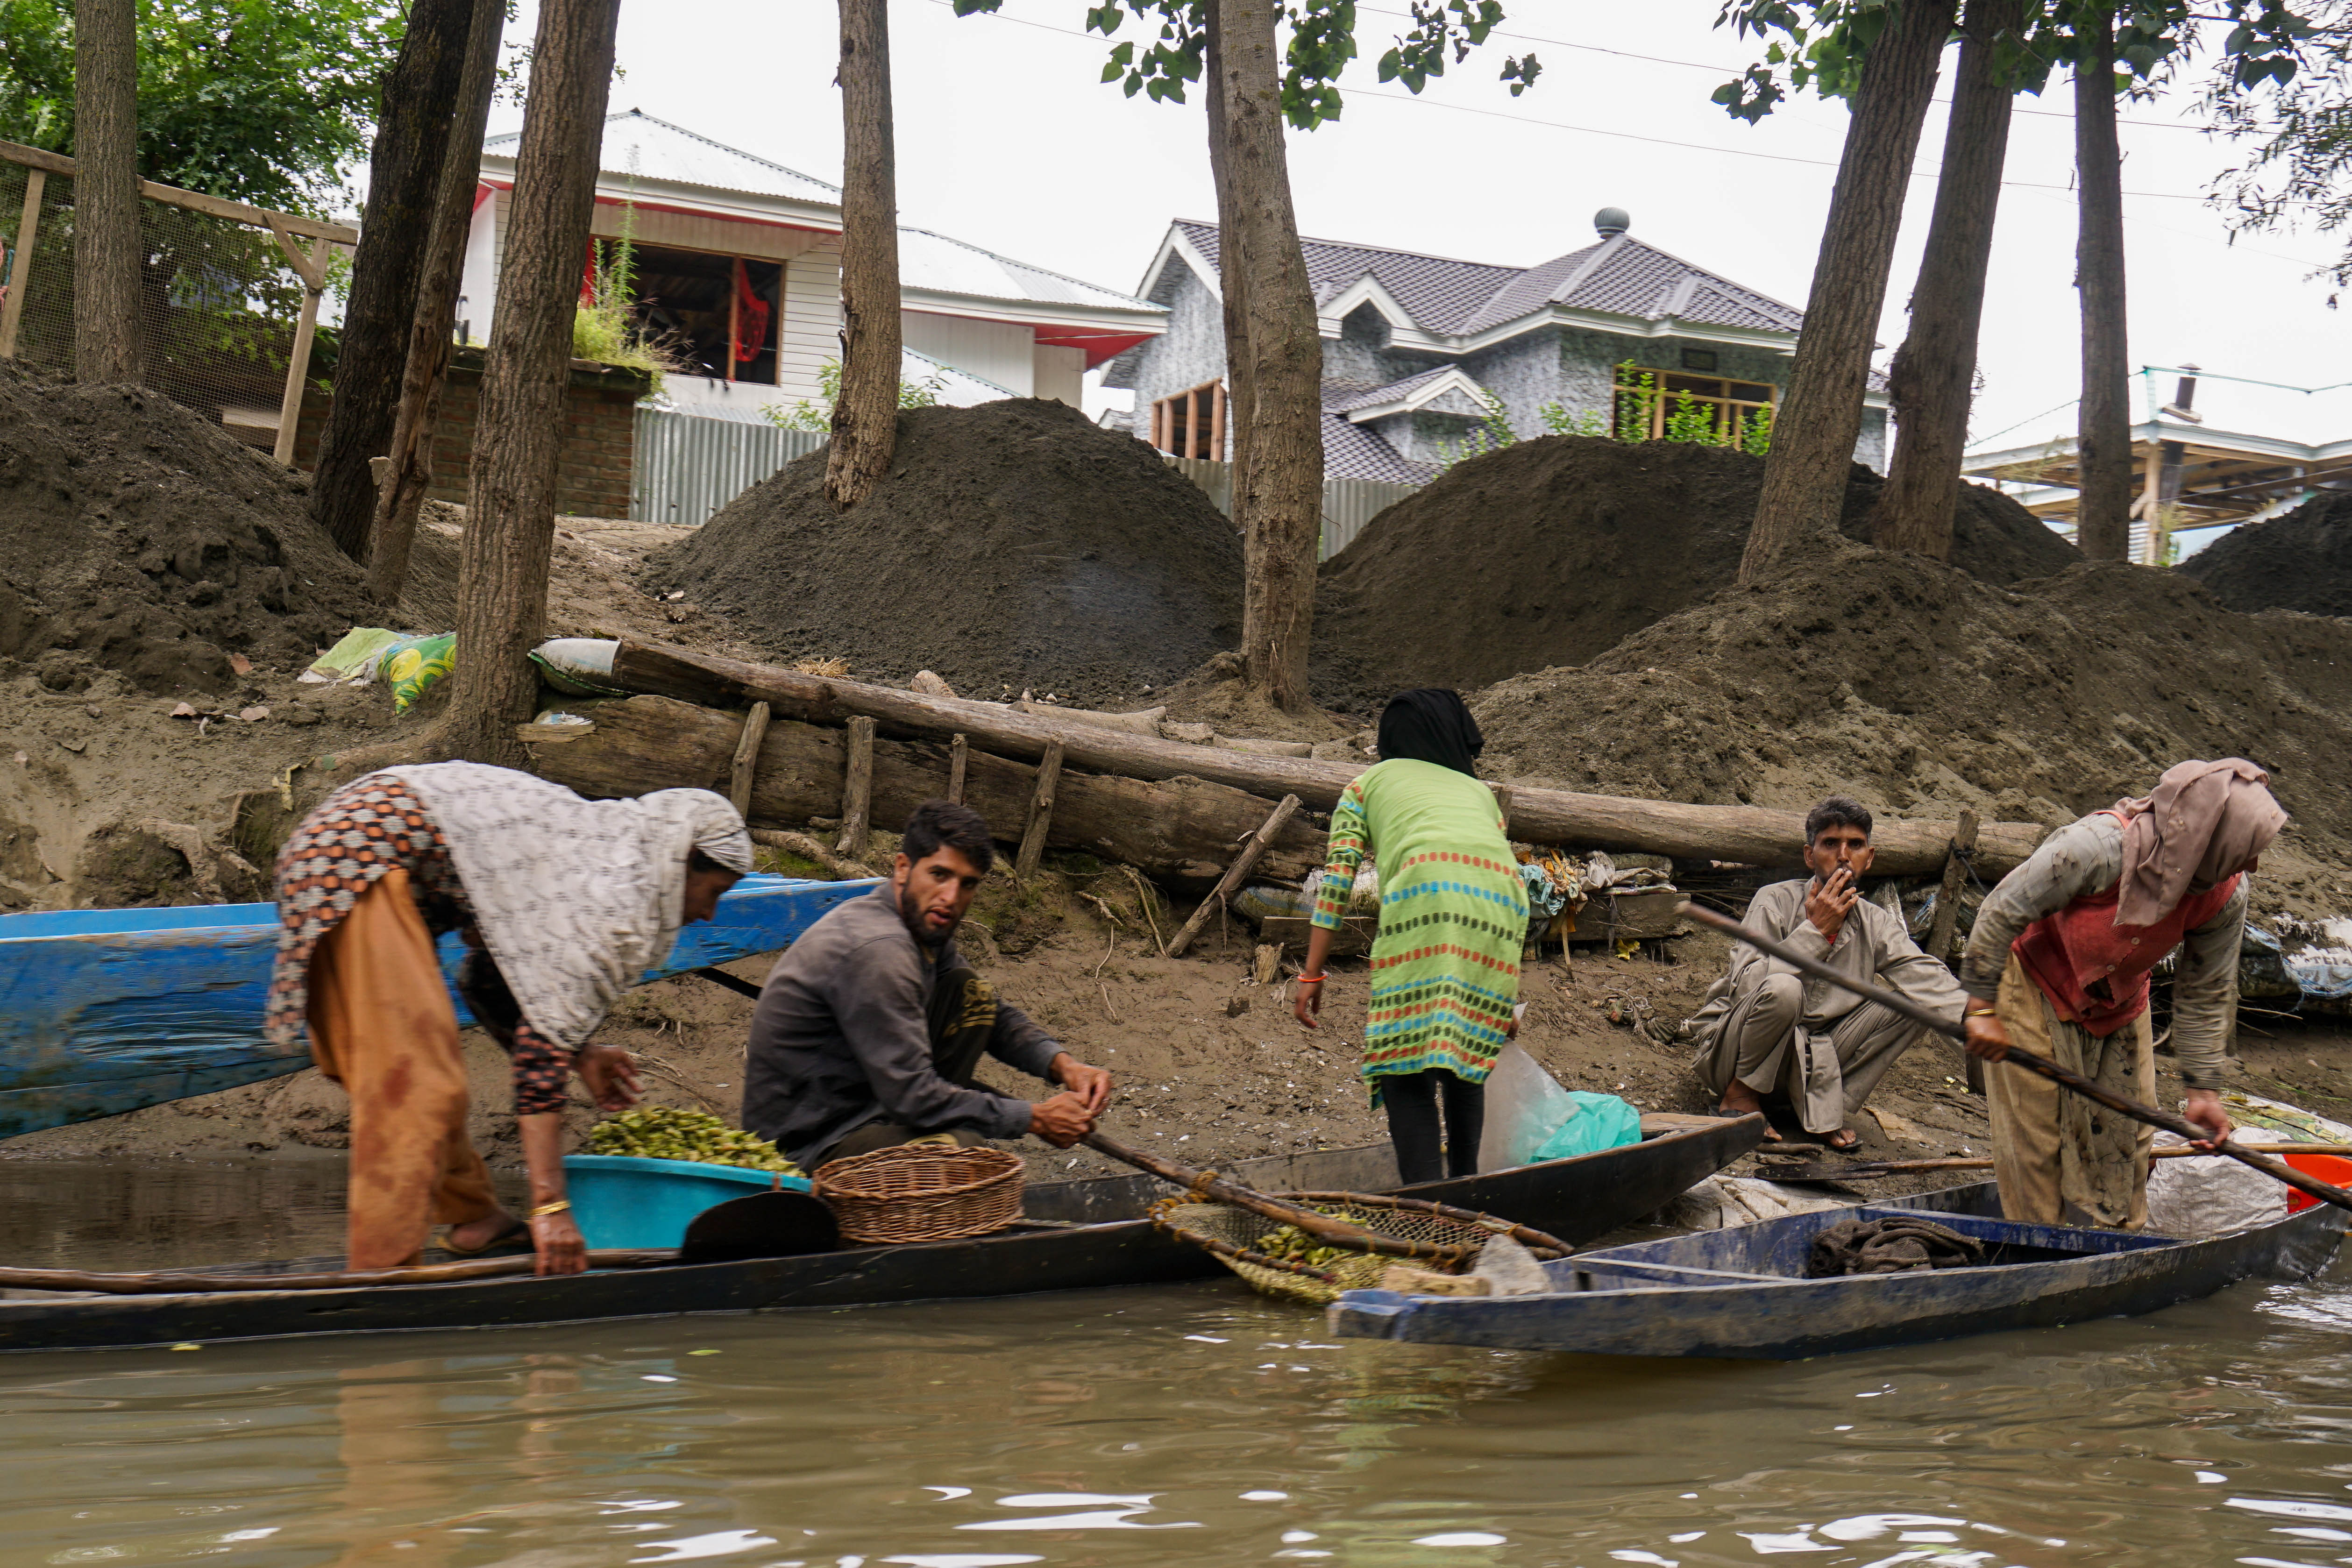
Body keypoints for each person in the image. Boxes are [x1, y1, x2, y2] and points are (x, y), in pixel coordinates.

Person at [265, 763, 751, 1277]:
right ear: (680, 862)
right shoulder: (614, 895)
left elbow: (485, 983)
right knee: (415, 1089)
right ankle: (382, 1282)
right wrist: (551, 1208)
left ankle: (475, 1219)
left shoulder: (600, 855)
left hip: (342, 849)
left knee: (418, 1073)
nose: (710, 915)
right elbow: (538, 1058)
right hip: (359, 853)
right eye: (714, 892)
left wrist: (580, 1054)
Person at [1961, 758, 2285, 1228]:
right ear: (2206, 836)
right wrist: (1980, 1008)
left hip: (2120, 1001)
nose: (2250, 863)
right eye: (2243, 848)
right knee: (2038, 1140)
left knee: (2131, 1141)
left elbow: (2205, 990)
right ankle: (2037, 1252)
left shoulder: (2226, 893)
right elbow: (1999, 911)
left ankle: (2117, 1248)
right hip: (2034, 982)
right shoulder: (2097, 849)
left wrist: (2202, 1091)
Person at [741, 800, 1112, 1171]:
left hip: (873, 1107)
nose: (951, 898)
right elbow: (913, 1096)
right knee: (965, 1155)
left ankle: (923, 1133)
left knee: (971, 992)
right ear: (903, 868)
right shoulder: (880, 950)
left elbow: (994, 1016)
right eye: (939, 875)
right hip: (807, 1147)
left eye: (967, 884)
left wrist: (1063, 1066)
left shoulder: (920, 928)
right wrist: (1032, 1117)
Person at [1293, 688, 1526, 1185]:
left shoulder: (1366, 784)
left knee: (1404, 1067)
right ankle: (1468, 1190)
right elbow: (1489, 877)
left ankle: (1428, 1209)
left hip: (1423, 896)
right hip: (1504, 905)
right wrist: (1500, 1001)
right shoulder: (1481, 794)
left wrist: (1311, 973)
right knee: (1463, 1059)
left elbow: (1338, 879)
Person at [1687, 796, 1963, 1149]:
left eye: (1855, 845)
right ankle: (1740, 1099)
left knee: (1919, 1003)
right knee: (1784, 989)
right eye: (1830, 843)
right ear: (1809, 855)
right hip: (1735, 1053)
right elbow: (1745, 991)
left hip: (1813, 1060)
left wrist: (1979, 1017)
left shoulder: (1875, 921)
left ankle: (1820, 1110)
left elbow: (1927, 977)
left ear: (1870, 856)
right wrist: (1814, 932)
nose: (1843, 855)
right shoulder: (1773, 900)